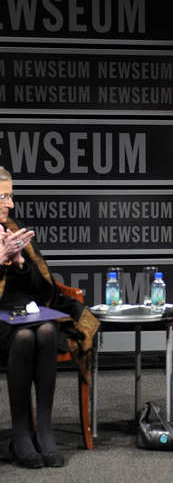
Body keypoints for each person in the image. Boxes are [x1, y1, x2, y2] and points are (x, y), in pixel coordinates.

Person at [0, 167, 98, 469]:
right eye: (3, 196)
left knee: (42, 330)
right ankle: (20, 432)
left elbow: (45, 289)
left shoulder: (16, 231)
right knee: (29, 334)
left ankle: (44, 429)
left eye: (11, 196)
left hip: (25, 314)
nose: (11, 204)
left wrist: (19, 264)